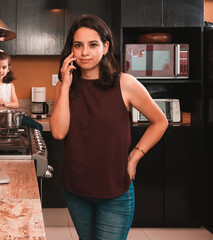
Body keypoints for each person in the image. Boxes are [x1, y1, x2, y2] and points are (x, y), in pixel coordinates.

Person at [49, 15, 168, 240]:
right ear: (70, 49)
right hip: (75, 190)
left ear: (105, 47)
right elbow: (58, 132)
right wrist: (65, 85)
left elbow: (160, 121)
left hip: (115, 191)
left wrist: (134, 157)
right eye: (78, 45)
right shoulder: (64, 86)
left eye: (92, 44)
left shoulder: (125, 83)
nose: (84, 52)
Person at [0, 49, 43, 133]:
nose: (0, 71)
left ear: (8, 68)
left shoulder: (9, 84)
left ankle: (39, 146)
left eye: (4, 67)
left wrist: (5, 104)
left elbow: (16, 104)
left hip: (11, 119)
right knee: (35, 126)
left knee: (39, 126)